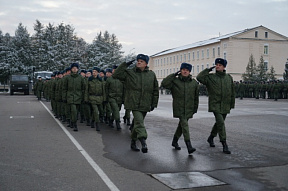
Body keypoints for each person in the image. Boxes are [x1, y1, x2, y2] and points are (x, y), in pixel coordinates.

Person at [113, 54, 159, 153]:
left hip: (145, 103)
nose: (139, 62)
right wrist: (125, 64)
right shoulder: (130, 73)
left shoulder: (151, 74)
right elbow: (116, 74)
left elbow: (155, 90)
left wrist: (153, 103)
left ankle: (133, 142)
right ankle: (143, 142)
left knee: (137, 124)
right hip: (133, 102)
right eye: (138, 60)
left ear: (146, 63)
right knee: (139, 122)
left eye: (141, 61)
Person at [197, 58, 235, 154]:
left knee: (219, 123)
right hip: (215, 104)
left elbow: (232, 92)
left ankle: (211, 138)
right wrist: (208, 69)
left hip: (225, 104)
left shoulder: (228, 78)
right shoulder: (211, 77)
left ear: (224, 67)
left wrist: (232, 104)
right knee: (221, 123)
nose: (217, 66)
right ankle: (224, 144)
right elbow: (199, 77)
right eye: (216, 64)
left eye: (220, 65)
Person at [161, 63, 199, 154]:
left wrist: (195, 109)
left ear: (189, 72)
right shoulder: (175, 81)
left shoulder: (194, 83)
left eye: (187, 70)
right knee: (185, 126)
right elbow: (164, 84)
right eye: (183, 69)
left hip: (189, 108)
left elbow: (196, 97)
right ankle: (189, 146)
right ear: (180, 71)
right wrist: (173, 75)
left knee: (181, 126)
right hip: (179, 107)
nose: (185, 71)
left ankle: (174, 141)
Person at [62, 63, 85, 131]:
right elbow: (64, 89)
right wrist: (64, 97)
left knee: (76, 112)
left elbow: (83, 88)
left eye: (76, 68)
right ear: (71, 69)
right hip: (70, 97)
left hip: (78, 97)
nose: (74, 69)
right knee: (73, 110)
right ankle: (74, 124)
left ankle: (72, 121)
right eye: (73, 68)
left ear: (78, 69)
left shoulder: (80, 78)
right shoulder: (67, 78)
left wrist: (83, 97)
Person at [84, 66, 106, 131]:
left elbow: (103, 90)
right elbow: (86, 90)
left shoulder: (100, 80)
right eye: (93, 71)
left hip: (99, 98)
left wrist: (104, 99)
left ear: (98, 73)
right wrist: (86, 99)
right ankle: (97, 124)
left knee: (101, 112)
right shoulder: (90, 80)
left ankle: (93, 121)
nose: (94, 73)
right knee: (96, 111)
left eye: (95, 72)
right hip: (92, 97)